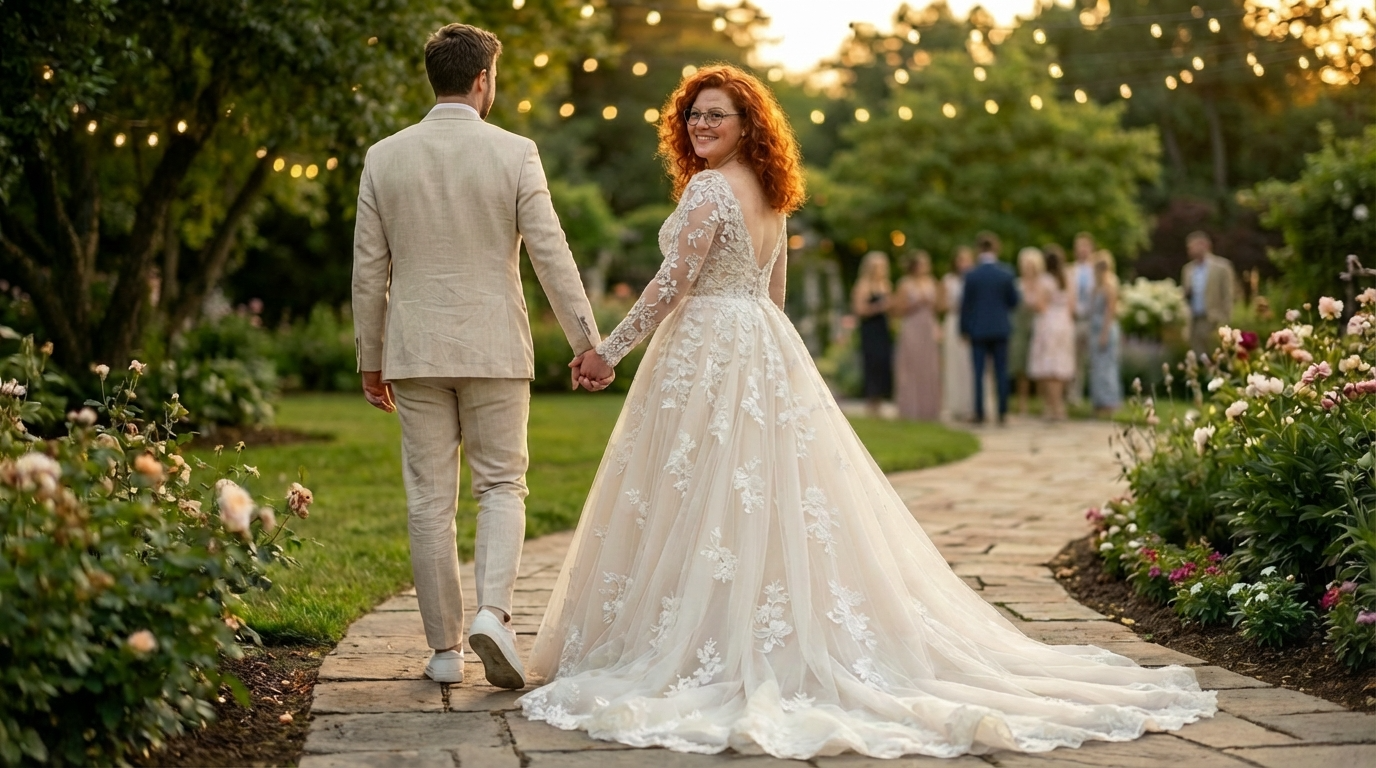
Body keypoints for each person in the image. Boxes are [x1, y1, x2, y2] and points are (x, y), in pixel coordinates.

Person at [523, 63, 1215, 760]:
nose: (701, 125)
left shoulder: (708, 189)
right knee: (750, 492)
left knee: (700, 488)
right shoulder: (771, 193)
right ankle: (735, 620)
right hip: (757, 343)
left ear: (746, 124)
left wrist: (608, 351)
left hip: (707, 344)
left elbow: (673, 283)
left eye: (716, 115)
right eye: (694, 114)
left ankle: (698, 632)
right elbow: (774, 297)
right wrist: (769, 365)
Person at [351, 24, 604, 690]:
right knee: (501, 485)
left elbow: (368, 268)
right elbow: (551, 252)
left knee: (429, 501)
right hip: (495, 346)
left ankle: (443, 650)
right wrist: (588, 343)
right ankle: (493, 613)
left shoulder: (384, 156)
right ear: (483, 79)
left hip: (414, 351)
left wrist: (370, 356)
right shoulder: (515, 152)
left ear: (434, 77)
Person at [959, 232, 1020, 425]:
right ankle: (1002, 412)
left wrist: (963, 329)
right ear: (996, 248)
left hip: (978, 330)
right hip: (1000, 329)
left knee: (978, 373)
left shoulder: (971, 275)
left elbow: (965, 305)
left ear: (978, 249)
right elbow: (1014, 301)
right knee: (1001, 372)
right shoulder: (1006, 273)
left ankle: (979, 412)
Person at [1027, 246, 1076, 421]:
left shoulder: (1044, 280)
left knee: (1049, 367)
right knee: (1061, 366)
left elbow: (1040, 305)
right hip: (1065, 323)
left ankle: (1053, 407)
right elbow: (1072, 306)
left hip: (1048, 322)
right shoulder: (1068, 278)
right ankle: (1059, 406)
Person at [892, 251, 942, 420]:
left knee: (929, 365)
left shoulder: (932, 282)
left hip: (928, 326)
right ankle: (909, 408)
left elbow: (939, 306)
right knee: (911, 365)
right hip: (912, 326)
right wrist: (916, 303)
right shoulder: (905, 284)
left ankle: (929, 409)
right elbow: (897, 309)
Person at [852, 251, 894, 417]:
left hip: (883, 328)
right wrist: (879, 307)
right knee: (872, 362)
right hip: (870, 329)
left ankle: (880, 399)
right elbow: (859, 310)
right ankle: (871, 401)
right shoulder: (863, 286)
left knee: (883, 361)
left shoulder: (886, 285)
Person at [1181, 231, 1237, 356]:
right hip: (1194, 321)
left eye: (1192, 247)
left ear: (1204, 245)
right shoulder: (1188, 269)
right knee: (1198, 356)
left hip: (1213, 320)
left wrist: (1225, 320)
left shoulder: (1222, 267)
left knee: (1215, 355)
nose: (1189, 250)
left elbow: (1228, 295)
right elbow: (1185, 295)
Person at [941, 247, 977, 421]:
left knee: (970, 364)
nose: (964, 264)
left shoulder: (975, 279)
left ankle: (972, 405)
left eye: (967, 260)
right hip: (954, 322)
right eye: (961, 260)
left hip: (972, 323)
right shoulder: (948, 280)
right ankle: (956, 406)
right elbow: (941, 305)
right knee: (955, 363)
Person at [1009, 247, 1044, 416]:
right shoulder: (1016, 285)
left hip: (1039, 326)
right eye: (1026, 265)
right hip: (1020, 328)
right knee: (1021, 366)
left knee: (1041, 365)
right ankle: (1022, 404)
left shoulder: (1043, 284)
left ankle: (1043, 403)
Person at [1089, 249, 1123, 416]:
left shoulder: (1110, 285)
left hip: (1105, 329)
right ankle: (1099, 402)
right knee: (1097, 368)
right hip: (1095, 328)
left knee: (1107, 367)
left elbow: (1110, 311)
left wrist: (1104, 334)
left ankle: (1110, 402)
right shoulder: (1097, 286)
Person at [1068, 233, 1096, 406]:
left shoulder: (1096, 270)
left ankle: (1095, 396)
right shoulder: (1071, 270)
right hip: (1076, 319)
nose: (1082, 251)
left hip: (1092, 319)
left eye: (1085, 247)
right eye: (1079, 248)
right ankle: (1074, 396)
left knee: (1093, 360)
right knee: (1074, 360)